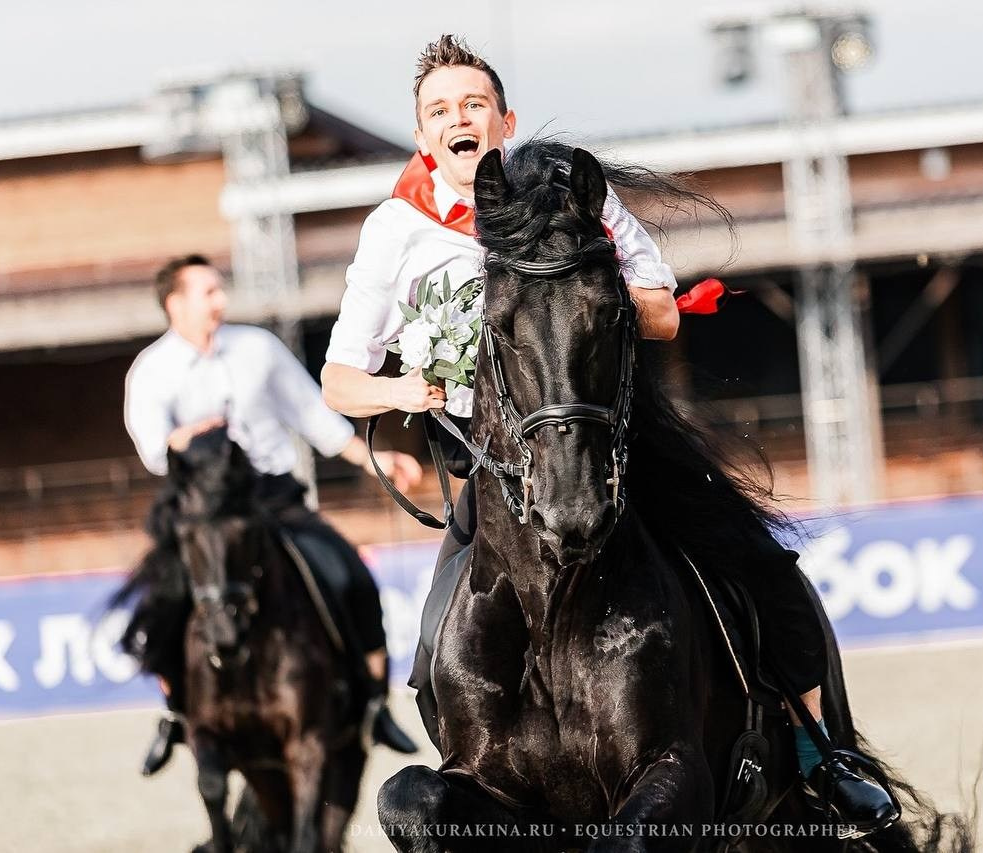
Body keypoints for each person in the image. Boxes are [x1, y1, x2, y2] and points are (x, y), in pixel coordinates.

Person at [321, 35, 898, 835]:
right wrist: (402, 388)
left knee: (765, 567)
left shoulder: (571, 194)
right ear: (423, 137)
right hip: (490, 469)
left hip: (609, 436)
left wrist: (589, 289)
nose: (459, 119)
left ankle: (823, 758)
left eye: (473, 105)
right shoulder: (395, 229)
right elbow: (338, 379)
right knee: (431, 645)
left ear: (503, 120)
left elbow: (662, 312)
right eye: (440, 111)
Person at [124, 254, 422, 776]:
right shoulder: (151, 370)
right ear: (175, 303)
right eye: (207, 292)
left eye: (219, 290)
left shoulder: (259, 348)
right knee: (161, 606)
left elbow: (314, 418)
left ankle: (376, 703)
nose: (220, 299)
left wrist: (378, 463)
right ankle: (175, 713)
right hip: (205, 511)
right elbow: (153, 448)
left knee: (349, 574)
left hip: (275, 499)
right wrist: (192, 438)